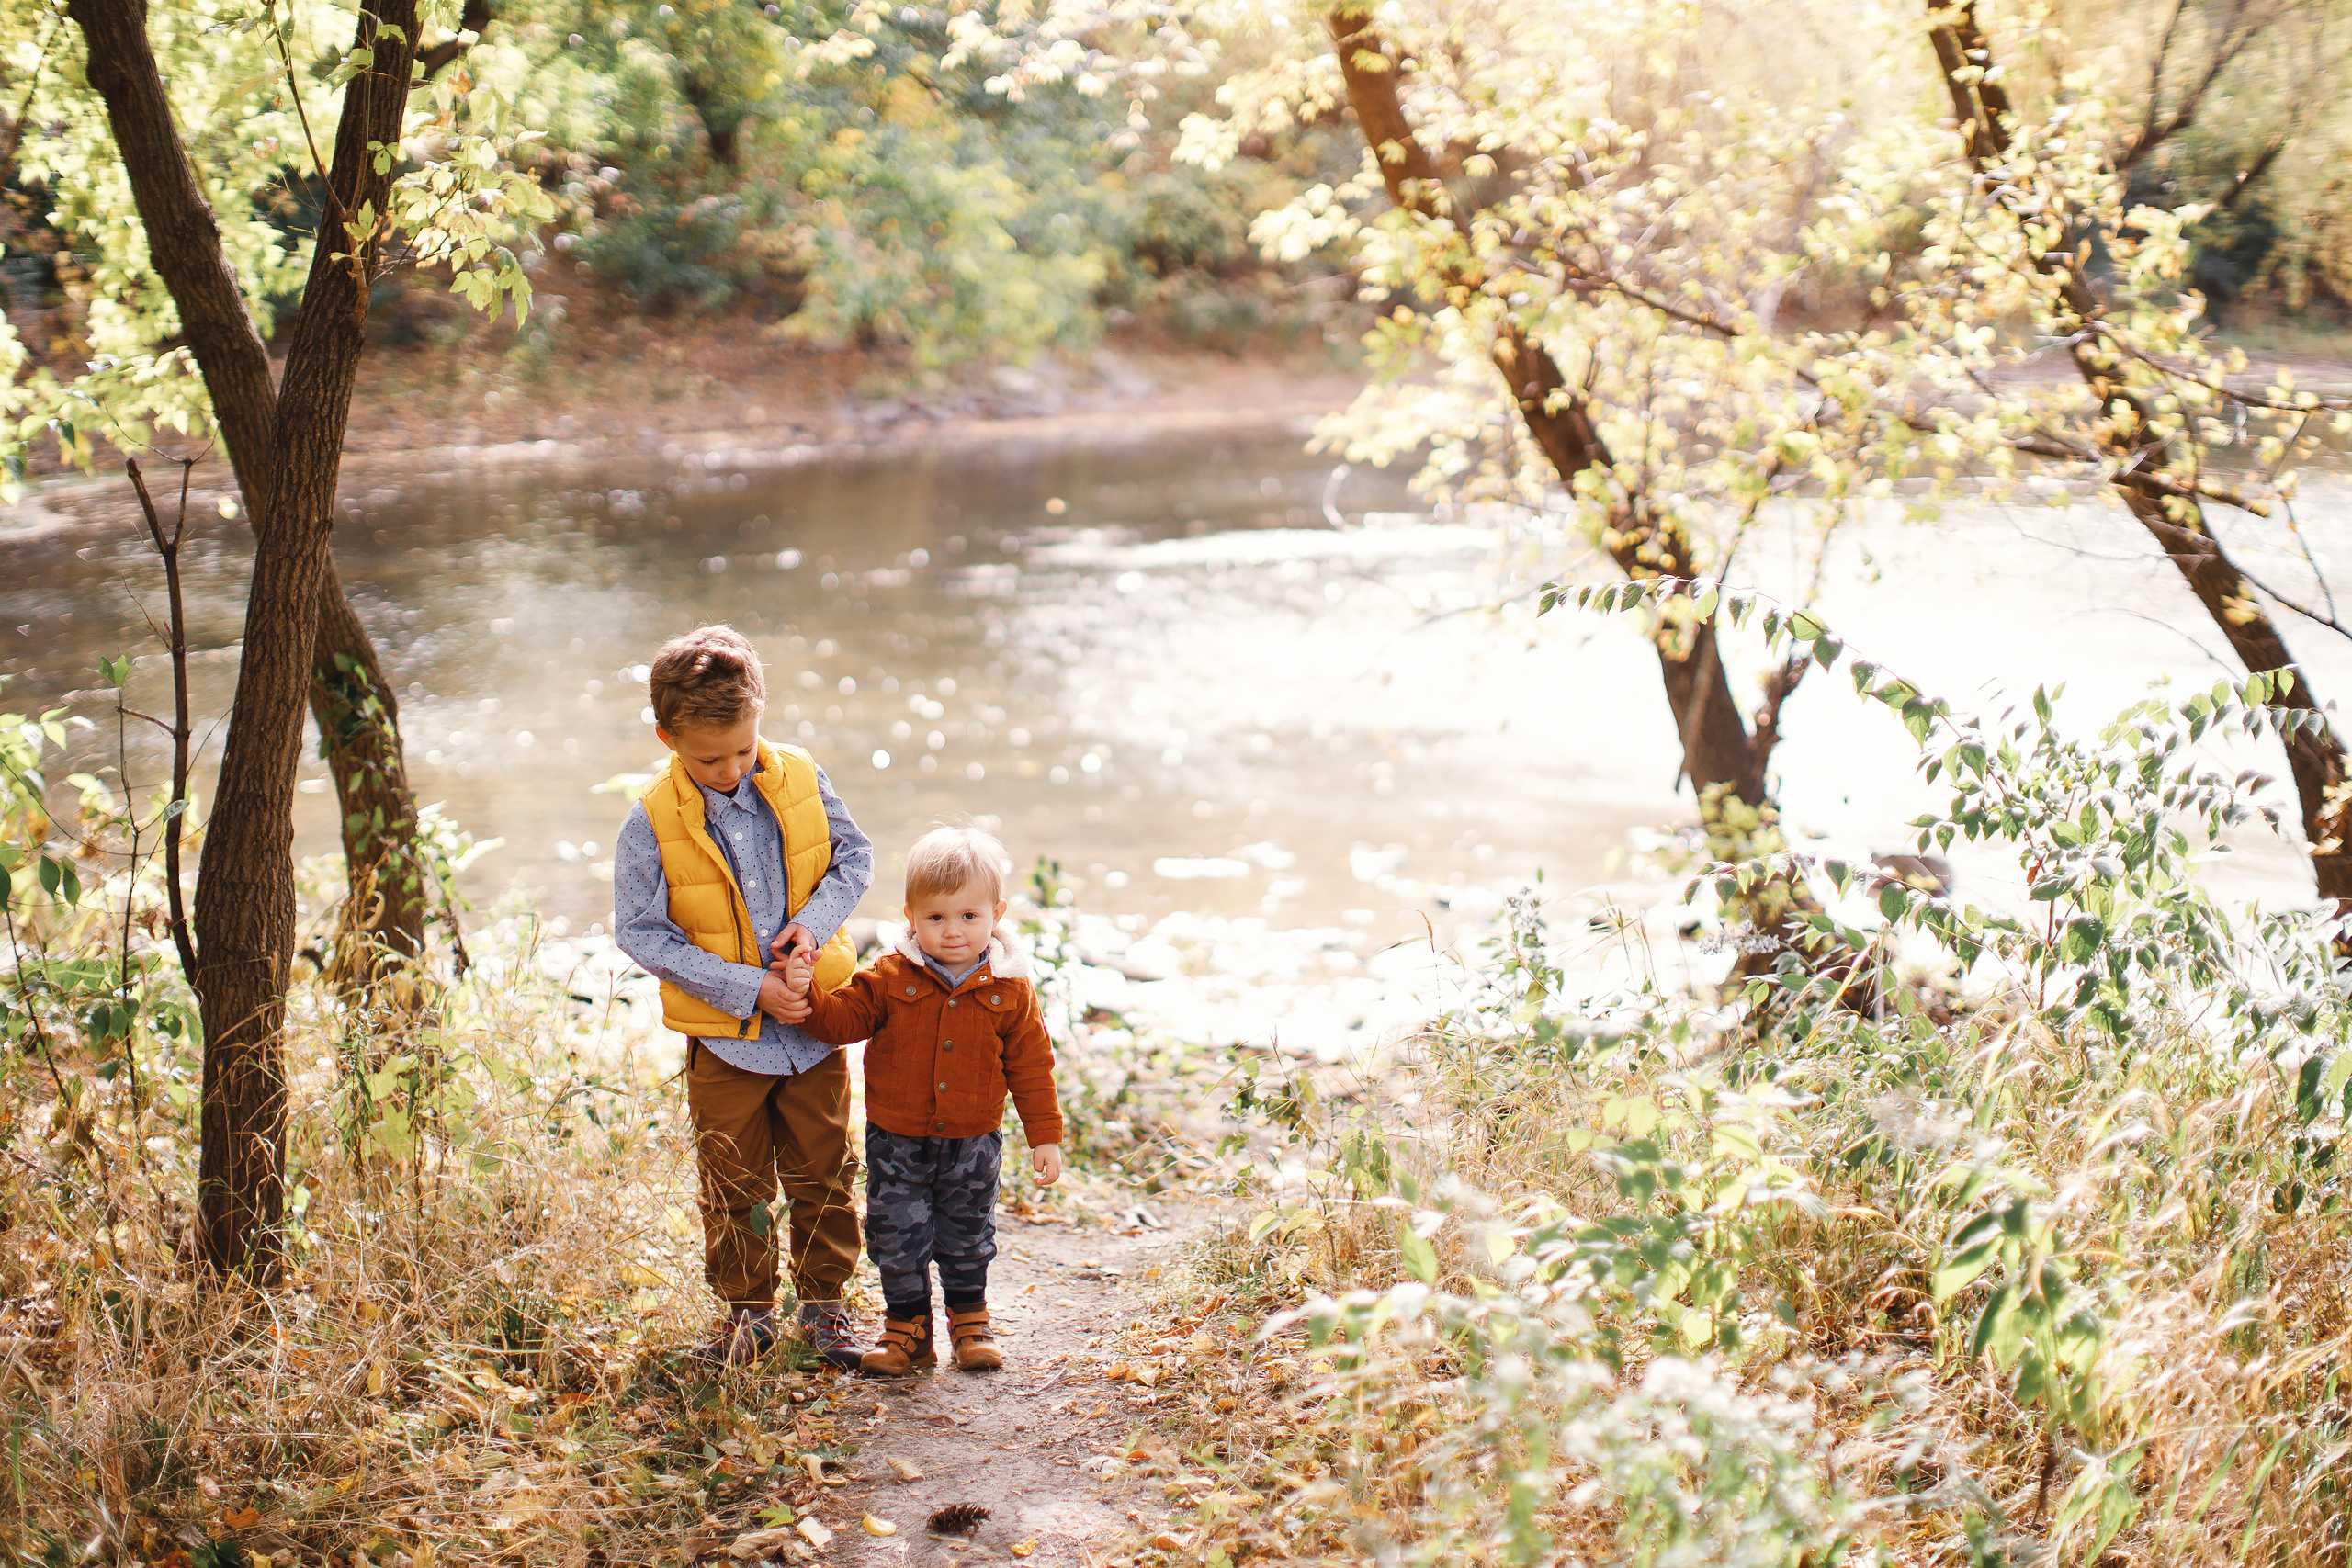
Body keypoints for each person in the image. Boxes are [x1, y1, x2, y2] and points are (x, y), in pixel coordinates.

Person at [611, 625, 873, 1369]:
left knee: (824, 1171)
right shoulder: (651, 821)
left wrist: (809, 932)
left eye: (743, 750)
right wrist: (750, 985)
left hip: (812, 1027)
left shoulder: (799, 774)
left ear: (762, 716)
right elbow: (640, 931)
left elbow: (856, 855)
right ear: (667, 737)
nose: (729, 768)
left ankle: (825, 1306)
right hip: (726, 1037)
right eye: (708, 757)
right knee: (733, 1178)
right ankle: (747, 1312)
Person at [778, 824, 1064, 1375]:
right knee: (896, 1231)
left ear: (996, 914)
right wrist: (804, 990)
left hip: (973, 1138)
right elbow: (841, 1021)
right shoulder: (889, 977)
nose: (952, 932)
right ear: (910, 916)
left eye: (968, 917)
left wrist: (1045, 1135)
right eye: (936, 917)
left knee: (967, 1230)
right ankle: (907, 1330)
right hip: (898, 1137)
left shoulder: (1010, 990)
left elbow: (1032, 1067)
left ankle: (970, 1321)